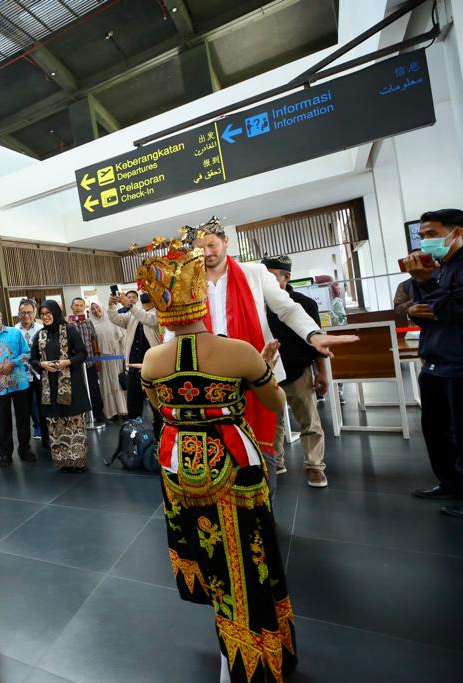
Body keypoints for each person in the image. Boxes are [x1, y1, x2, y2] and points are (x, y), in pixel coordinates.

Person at [137, 238, 297, 683]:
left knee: (208, 553)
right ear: (201, 298)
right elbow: (277, 405)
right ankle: (253, 647)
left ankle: (227, 641)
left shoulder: (152, 359)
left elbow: (160, 408)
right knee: (248, 555)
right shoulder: (239, 352)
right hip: (234, 463)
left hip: (179, 468)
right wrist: (257, 373)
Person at [192, 218, 357, 481]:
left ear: (225, 242)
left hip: (257, 365)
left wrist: (313, 334)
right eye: (200, 248)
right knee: (217, 443)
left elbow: (287, 308)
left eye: (211, 245)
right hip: (210, 372)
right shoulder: (190, 280)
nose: (207, 253)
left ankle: (262, 499)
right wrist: (169, 358)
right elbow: (180, 323)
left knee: (262, 440)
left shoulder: (255, 273)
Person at [403, 208, 463, 519]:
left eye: (433, 234)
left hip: (458, 362)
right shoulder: (438, 269)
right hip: (434, 360)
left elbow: (453, 308)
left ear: (457, 232)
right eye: (423, 235)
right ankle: (450, 482)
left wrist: (428, 290)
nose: (426, 241)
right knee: (436, 429)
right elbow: (421, 310)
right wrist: (421, 306)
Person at [263, 256, 330, 487]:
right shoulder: (259, 304)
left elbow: (316, 340)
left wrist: (322, 372)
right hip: (269, 372)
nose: (266, 281)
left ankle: (314, 465)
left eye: (271, 275)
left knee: (308, 420)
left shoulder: (304, 303)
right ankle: (276, 461)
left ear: (286, 276)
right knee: (273, 421)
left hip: (298, 370)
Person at [31, 300, 91, 472]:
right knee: (55, 424)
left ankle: (78, 461)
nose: (45, 317)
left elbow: (82, 353)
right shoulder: (40, 334)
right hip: (49, 388)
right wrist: (42, 365)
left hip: (71, 385)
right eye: (42, 314)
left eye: (48, 313)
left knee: (73, 423)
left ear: (56, 313)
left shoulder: (70, 330)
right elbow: (32, 360)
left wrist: (67, 362)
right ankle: (62, 462)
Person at [0, 303, 34, 467]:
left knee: (23, 418)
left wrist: (13, 363)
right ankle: (6, 453)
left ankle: (25, 449)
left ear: (1, 315)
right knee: (2, 420)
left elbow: (27, 353)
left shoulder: (15, 333)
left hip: (19, 382)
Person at [107, 291, 161, 433]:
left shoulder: (160, 312)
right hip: (132, 363)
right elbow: (116, 319)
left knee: (156, 402)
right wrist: (111, 305)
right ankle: (133, 435)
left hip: (153, 365)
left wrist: (129, 306)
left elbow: (150, 320)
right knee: (133, 401)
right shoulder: (134, 313)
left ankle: (159, 434)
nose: (145, 292)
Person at [68, 297, 107, 426]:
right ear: (71, 307)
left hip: (89, 362)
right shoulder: (67, 323)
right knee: (78, 391)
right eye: (76, 305)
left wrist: (96, 356)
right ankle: (81, 418)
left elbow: (93, 339)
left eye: (81, 305)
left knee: (94, 389)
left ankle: (99, 416)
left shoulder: (88, 322)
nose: (78, 308)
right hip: (75, 364)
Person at [89, 301, 127, 420]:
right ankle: (112, 412)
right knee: (107, 384)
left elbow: (123, 338)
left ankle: (124, 409)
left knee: (119, 382)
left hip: (117, 356)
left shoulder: (112, 320)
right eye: (93, 309)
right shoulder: (92, 324)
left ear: (102, 307)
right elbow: (93, 342)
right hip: (103, 359)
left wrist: (125, 356)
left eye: (97, 307)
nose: (96, 310)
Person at [15, 298, 45, 441]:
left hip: (39, 372)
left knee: (40, 401)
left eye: (29, 312)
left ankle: (42, 427)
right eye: (23, 313)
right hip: (21, 374)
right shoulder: (13, 331)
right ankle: (32, 428)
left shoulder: (41, 328)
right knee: (26, 404)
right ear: (18, 314)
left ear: (34, 313)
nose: (26, 315)